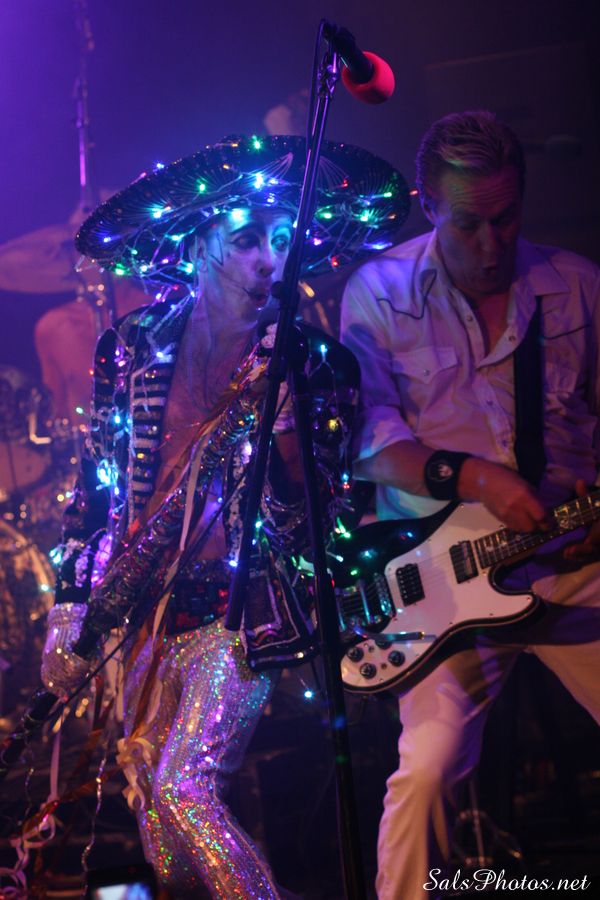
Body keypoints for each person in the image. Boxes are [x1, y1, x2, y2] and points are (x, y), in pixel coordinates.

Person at [39, 134, 408, 898]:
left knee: (185, 784)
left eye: (280, 239)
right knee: (144, 777)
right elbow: (97, 488)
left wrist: (285, 426)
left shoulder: (313, 362)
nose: (270, 260)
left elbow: (320, 524)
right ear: (198, 246)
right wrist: (71, 604)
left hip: (243, 610)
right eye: (246, 240)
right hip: (143, 605)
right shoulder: (132, 345)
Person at [340, 110, 600, 899]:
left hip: (575, 563)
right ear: (427, 205)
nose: (492, 245)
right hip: (444, 581)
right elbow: (370, 445)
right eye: (467, 224)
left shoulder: (578, 285)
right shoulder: (378, 293)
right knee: (425, 773)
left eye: (506, 218)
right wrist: (481, 480)